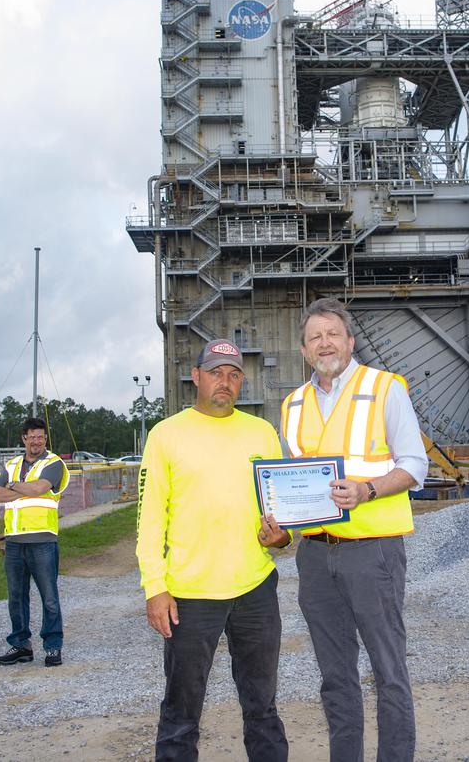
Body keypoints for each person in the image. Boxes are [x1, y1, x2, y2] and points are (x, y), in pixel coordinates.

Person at [280, 298, 429, 762]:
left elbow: (415, 466)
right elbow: (287, 479)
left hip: (374, 552)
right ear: (304, 350)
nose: (324, 343)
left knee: (388, 669)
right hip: (316, 555)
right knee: (335, 674)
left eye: (332, 334)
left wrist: (367, 490)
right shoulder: (292, 404)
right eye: (314, 337)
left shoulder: (385, 388)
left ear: (350, 340)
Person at [136, 339, 290, 762]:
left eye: (235, 374)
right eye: (217, 372)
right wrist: (155, 587)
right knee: (181, 713)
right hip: (189, 595)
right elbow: (149, 521)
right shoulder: (166, 435)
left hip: (255, 589)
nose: (226, 381)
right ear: (196, 377)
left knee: (263, 708)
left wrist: (282, 538)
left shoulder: (260, 432)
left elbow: (278, 514)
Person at [0, 417, 70, 667]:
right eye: (32, 437)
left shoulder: (54, 463)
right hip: (14, 541)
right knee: (16, 596)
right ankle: (21, 644)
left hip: (42, 540)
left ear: (45, 438)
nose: (37, 441)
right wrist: (22, 487)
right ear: (23, 439)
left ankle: (52, 646)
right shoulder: (12, 464)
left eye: (41, 437)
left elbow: (40, 488)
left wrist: (12, 487)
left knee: (49, 596)